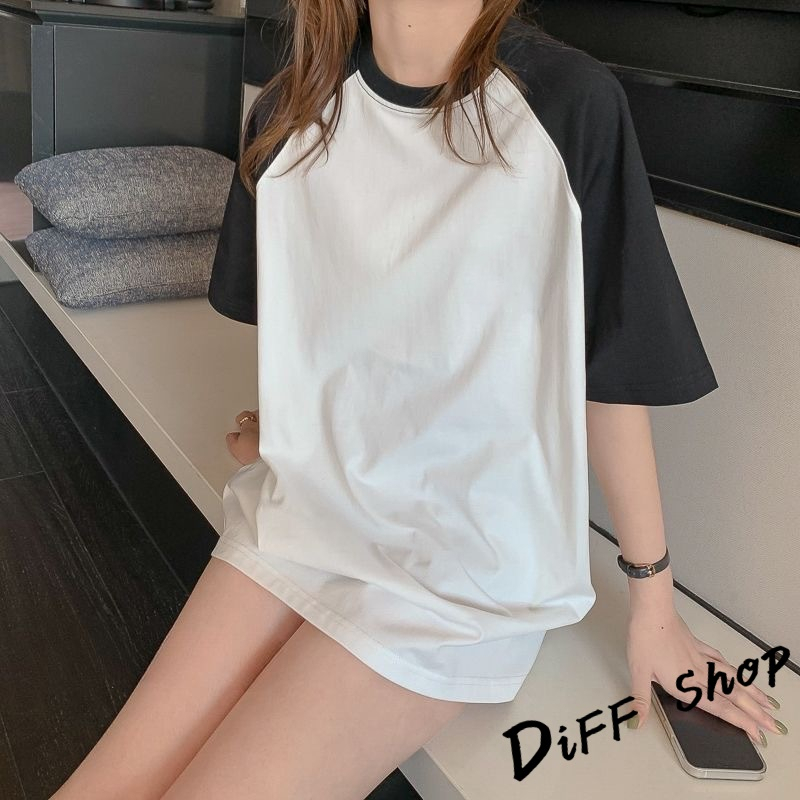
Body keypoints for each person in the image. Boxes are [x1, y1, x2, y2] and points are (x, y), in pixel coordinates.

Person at [51, 1, 787, 798]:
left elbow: (608, 375)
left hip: (463, 570)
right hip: (305, 516)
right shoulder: (289, 110)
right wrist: (292, 429)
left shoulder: (567, 104)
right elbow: (324, 315)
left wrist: (656, 608)